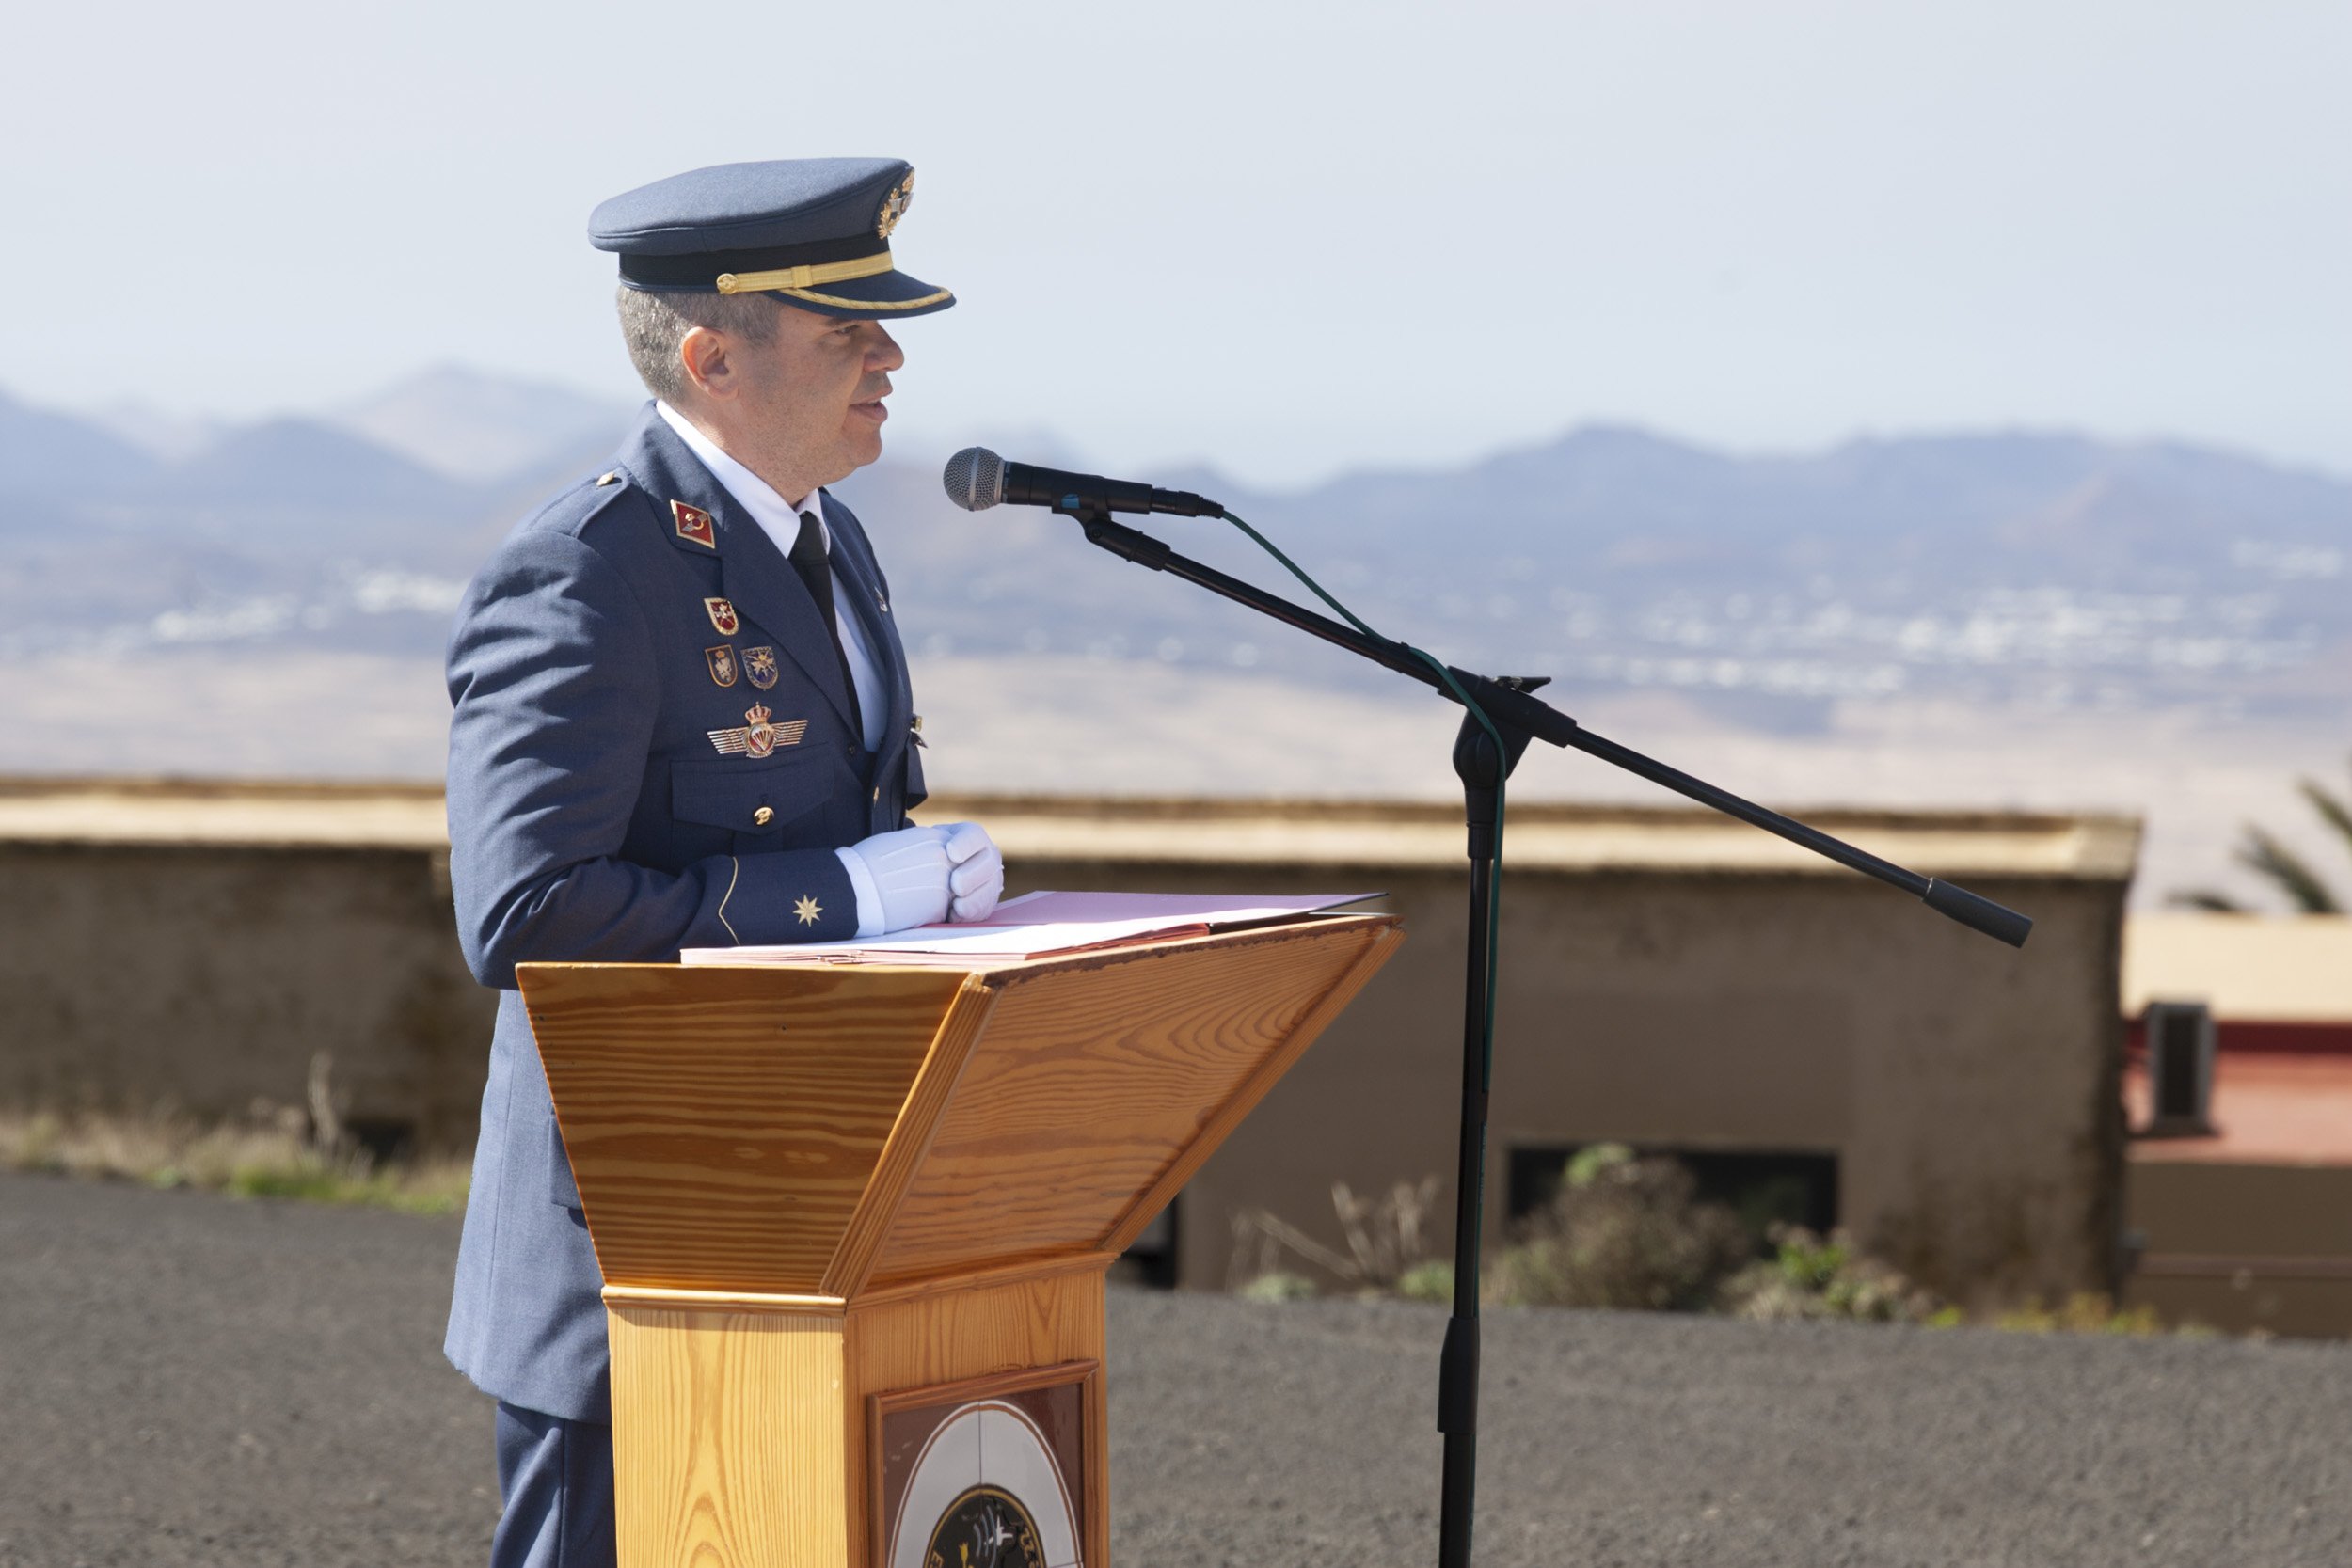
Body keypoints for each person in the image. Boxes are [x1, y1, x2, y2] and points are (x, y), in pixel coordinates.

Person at [439, 157, 1002, 1568]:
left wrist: (921, 882)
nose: (890, 354)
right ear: (712, 357)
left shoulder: (835, 538)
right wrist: (848, 894)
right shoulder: (588, 568)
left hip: (808, 1206)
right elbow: (526, 912)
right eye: (844, 332)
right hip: (639, 1242)